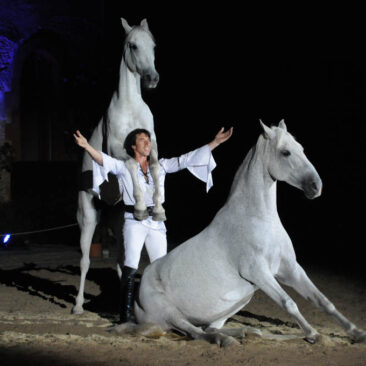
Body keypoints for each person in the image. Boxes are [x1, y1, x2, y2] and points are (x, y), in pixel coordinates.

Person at [73, 127, 233, 323]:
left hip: (156, 223)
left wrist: (214, 143)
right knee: (130, 266)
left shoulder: (161, 166)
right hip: (134, 222)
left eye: (149, 140)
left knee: (162, 269)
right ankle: (125, 317)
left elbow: (186, 159)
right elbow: (103, 160)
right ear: (133, 146)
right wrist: (87, 146)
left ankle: (164, 312)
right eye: (142, 140)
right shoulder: (124, 167)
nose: (148, 143)